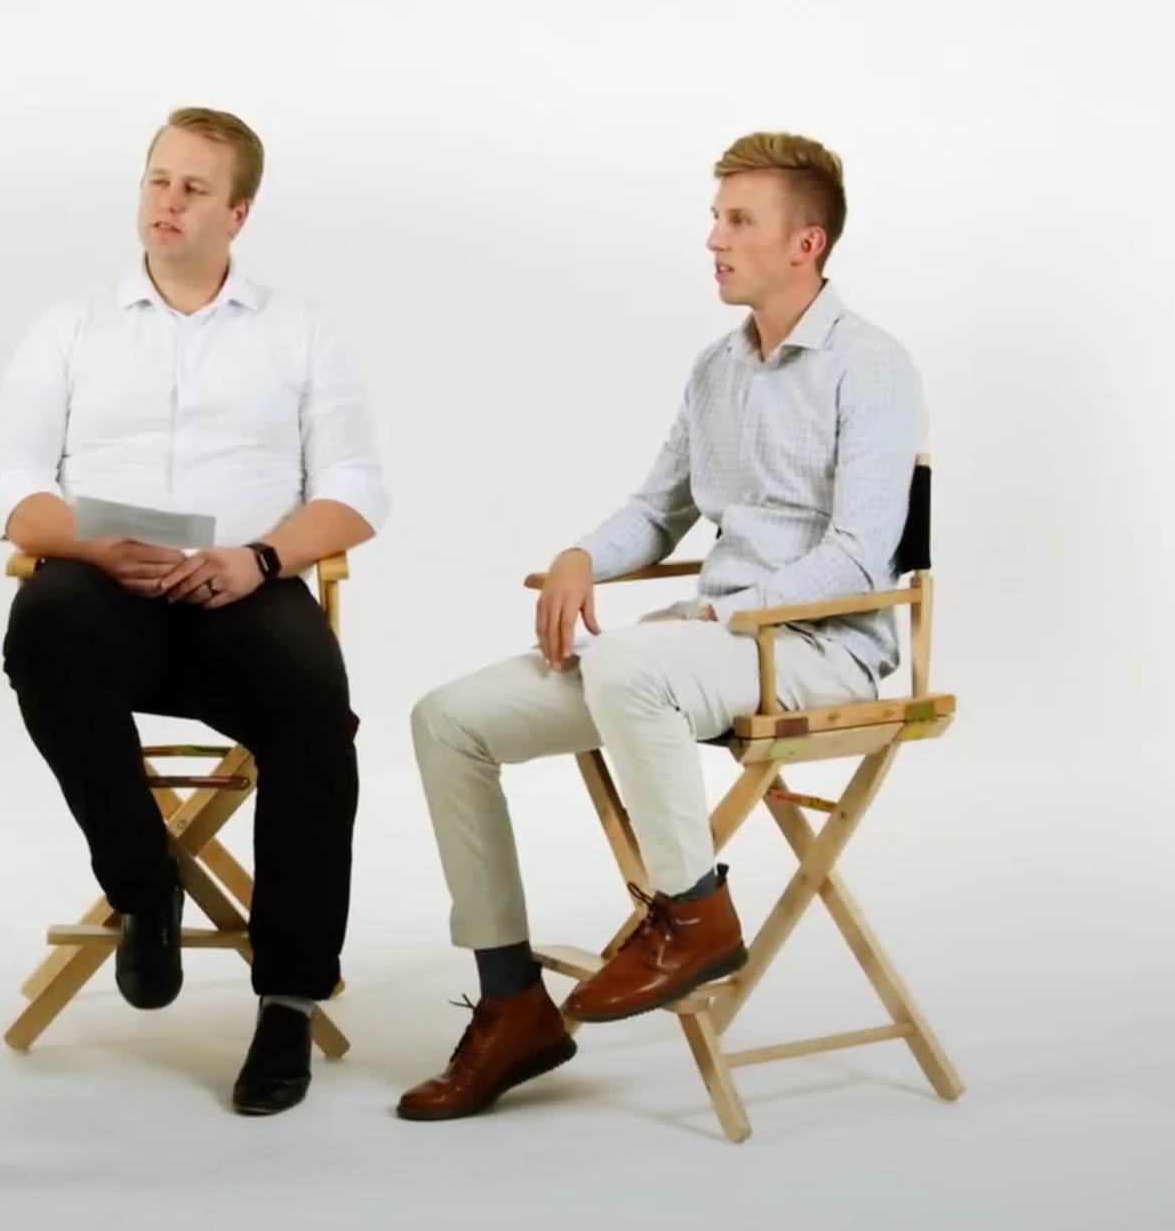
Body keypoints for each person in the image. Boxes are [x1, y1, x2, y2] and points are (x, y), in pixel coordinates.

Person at [397, 131, 926, 1122]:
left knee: (634, 664)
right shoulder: (716, 368)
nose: (714, 239)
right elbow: (659, 508)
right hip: (704, 648)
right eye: (716, 217)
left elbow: (860, 555)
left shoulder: (874, 367)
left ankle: (693, 913)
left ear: (806, 242)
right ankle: (513, 1002)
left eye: (739, 221)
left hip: (820, 649)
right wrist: (581, 555)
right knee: (447, 719)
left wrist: (714, 616)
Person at [0, 107, 390, 1115]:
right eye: (158, 180)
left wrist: (258, 557)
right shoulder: (69, 325)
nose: (168, 202)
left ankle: (287, 998)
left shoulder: (300, 330)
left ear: (238, 212)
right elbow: (8, 484)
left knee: (316, 715)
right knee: (43, 625)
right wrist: (81, 541)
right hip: (105, 586)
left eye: (194, 188)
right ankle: (142, 884)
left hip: (241, 592)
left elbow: (358, 490)